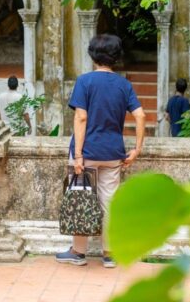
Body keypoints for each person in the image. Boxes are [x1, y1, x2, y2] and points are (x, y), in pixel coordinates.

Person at [57, 34, 145, 269]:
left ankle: (78, 251)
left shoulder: (85, 81)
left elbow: (81, 116)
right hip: (113, 154)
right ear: (116, 57)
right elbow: (140, 115)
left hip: (86, 153)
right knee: (109, 202)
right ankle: (109, 253)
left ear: (92, 55)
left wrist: (77, 155)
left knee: (79, 196)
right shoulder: (124, 85)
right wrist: (137, 149)